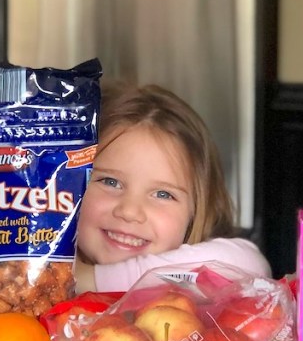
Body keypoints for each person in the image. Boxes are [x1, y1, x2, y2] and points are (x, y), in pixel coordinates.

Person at [74, 81, 271, 293]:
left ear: (195, 212)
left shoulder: (208, 266)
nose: (130, 211)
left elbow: (250, 264)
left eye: (162, 194)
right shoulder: (36, 267)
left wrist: (92, 280)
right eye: (110, 182)